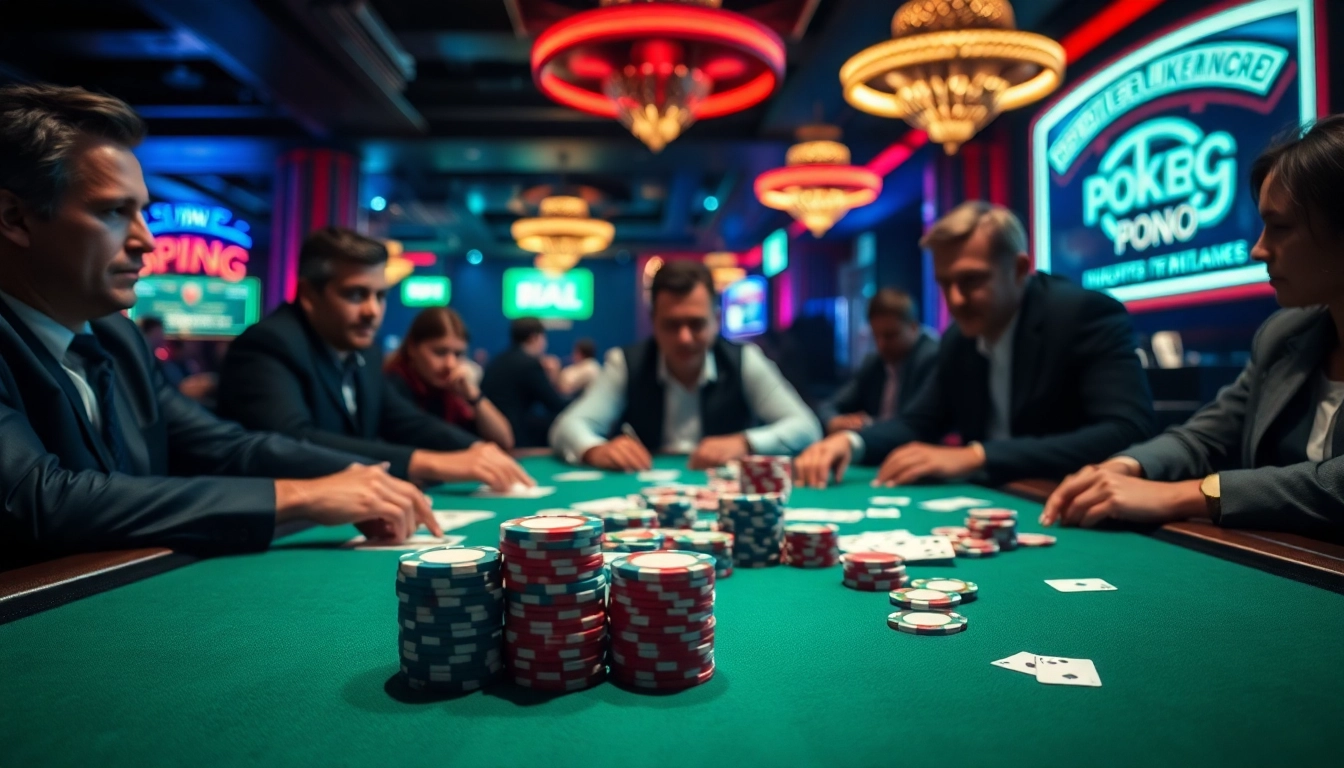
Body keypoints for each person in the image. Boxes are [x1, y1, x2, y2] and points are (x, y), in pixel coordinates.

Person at [0, 83, 438, 566]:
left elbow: (227, 447)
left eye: (141, 211)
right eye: (112, 212)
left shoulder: (115, 336)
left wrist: (364, 479)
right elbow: (41, 502)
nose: (146, 241)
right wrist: (298, 497)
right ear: (14, 217)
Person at [1041, 117, 1344, 537]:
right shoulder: (1284, 336)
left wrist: (1185, 495)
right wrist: (1122, 467)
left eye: (1280, 227)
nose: (1258, 249)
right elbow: (1203, 437)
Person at [795, 201, 1155, 488]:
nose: (955, 299)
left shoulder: (1082, 314)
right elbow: (919, 422)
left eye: (971, 280)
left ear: (1019, 269)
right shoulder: (959, 339)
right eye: (945, 283)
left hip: (1075, 502)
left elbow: (1125, 430)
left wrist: (978, 456)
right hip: (996, 501)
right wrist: (851, 443)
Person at [216, 227, 533, 491]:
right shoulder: (268, 344)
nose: (372, 311)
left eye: (380, 296)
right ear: (309, 295)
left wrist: (474, 449)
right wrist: (428, 462)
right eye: (356, 294)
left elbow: (403, 419)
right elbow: (293, 441)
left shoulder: (364, 350)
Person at [550, 259, 822, 470]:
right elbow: (567, 427)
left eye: (696, 324)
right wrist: (595, 450)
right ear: (653, 322)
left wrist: (744, 443)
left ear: (716, 320)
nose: (684, 338)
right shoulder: (625, 363)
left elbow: (806, 428)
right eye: (671, 325)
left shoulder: (744, 359)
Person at [384, 306, 514, 449]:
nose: (450, 364)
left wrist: (474, 395)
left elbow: (505, 441)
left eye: (458, 354)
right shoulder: (393, 385)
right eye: (440, 352)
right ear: (412, 348)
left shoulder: (454, 391)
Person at [820, 288, 939, 434]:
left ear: (913, 327)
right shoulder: (874, 362)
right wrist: (835, 422)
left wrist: (869, 426)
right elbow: (828, 407)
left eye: (890, 336)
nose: (881, 344)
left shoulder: (931, 358)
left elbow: (914, 425)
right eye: (876, 336)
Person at [480, 317, 571, 448]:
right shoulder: (530, 364)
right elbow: (555, 405)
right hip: (513, 437)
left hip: (486, 431)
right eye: (544, 337)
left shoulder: (498, 360)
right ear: (535, 337)